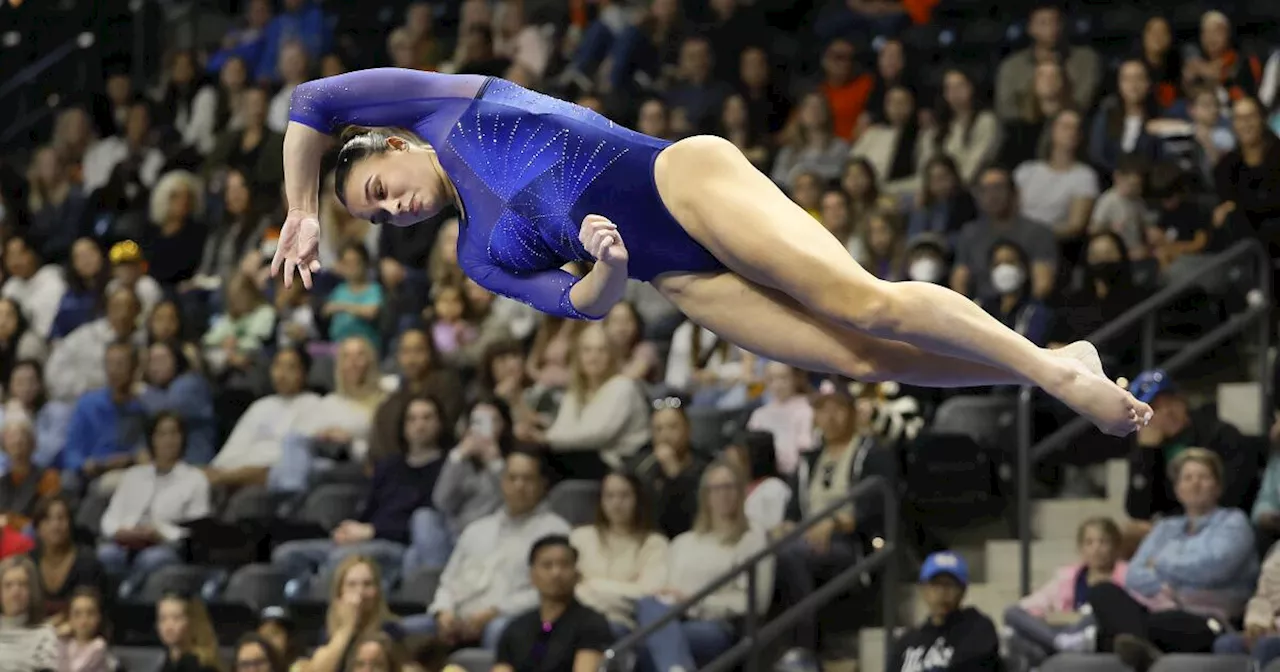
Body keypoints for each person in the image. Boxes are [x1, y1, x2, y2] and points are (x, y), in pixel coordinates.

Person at [271, 68, 1151, 437]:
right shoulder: (476, 256)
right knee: (858, 356)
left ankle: (1062, 372)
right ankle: (1047, 367)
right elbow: (580, 306)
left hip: (679, 181)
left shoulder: (442, 104)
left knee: (861, 300)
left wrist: (302, 208)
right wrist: (609, 269)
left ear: (393, 146)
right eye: (380, 220)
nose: (396, 209)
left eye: (382, 191)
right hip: (676, 275)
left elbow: (312, 99)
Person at [494, 535, 613, 672]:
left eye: (565, 565)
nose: (556, 573)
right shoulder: (515, 629)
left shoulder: (592, 624)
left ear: (577, 574)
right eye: (547, 565)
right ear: (532, 575)